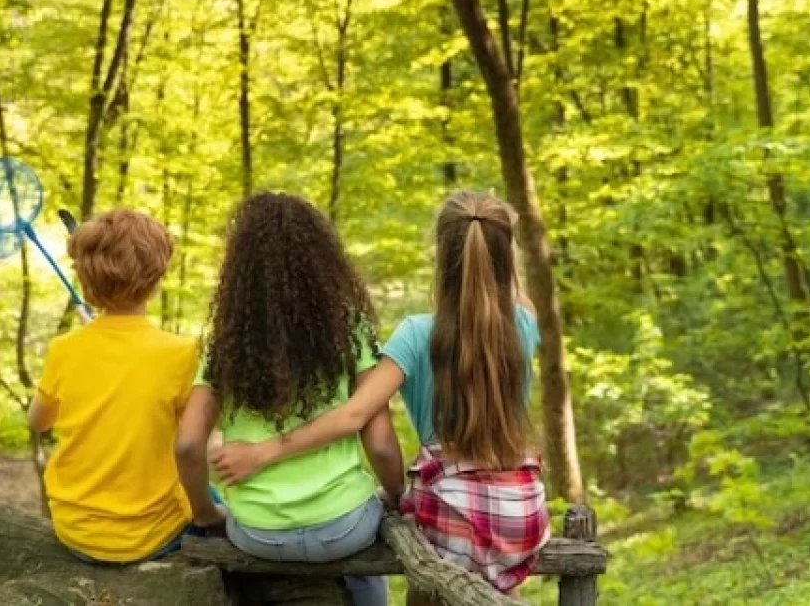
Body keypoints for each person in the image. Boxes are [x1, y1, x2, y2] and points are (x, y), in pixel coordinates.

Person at [211, 191, 550, 597]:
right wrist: (498, 250)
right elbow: (508, 290)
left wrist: (264, 451)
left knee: (432, 582)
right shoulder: (525, 325)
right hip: (523, 509)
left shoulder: (416, 334)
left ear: (441, 257)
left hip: (452, 508)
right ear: (504, 256)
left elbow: (354, 415)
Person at [176, 192, 404, 606]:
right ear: (321, 261)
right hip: (344, 526)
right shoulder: (349, 330)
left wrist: (206, 515)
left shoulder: (224, 346)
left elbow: (189, 444)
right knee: (369, 566)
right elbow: (383, 444)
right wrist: (397, 495)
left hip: (257, 532)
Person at [27, 209, 220, 563]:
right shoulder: (181, 353)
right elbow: (193, 438)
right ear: (156, 277)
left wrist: (93, 342)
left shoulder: (64, 349)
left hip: (75, 531)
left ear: (85, 279)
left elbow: (37, 422)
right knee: (218, 502)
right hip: (151, 536)